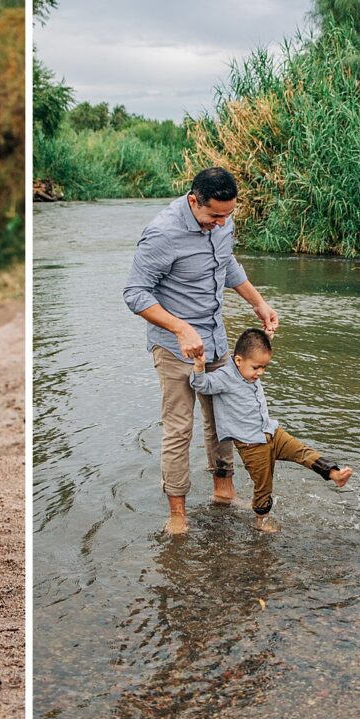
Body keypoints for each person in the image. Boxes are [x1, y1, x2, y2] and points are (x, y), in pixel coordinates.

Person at [124, 168, 279, 535]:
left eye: (228, 215)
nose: (222, 223)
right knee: (180, 428)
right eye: (214, 216)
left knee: (223, 422)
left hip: (217, 342)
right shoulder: (163, 233)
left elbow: (227, 265)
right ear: (194, 201)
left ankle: (223, 493)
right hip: (175, 349)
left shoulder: (222, 222)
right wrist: (179, 328)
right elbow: (135, 293)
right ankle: (177, 511)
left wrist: (258, 303)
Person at [190, 328, 353, 532]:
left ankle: (333, 473)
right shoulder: (224, 377)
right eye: (256, 367)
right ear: (239, 361)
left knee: (302, 451)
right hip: (251, 444)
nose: (260, 373)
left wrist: (267, 335)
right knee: (263, 484)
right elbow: (202, 385)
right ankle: (261, 519)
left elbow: (258, 349)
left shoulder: (249, 370)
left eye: (264, 367)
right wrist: (198, 366)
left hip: (271, 432)